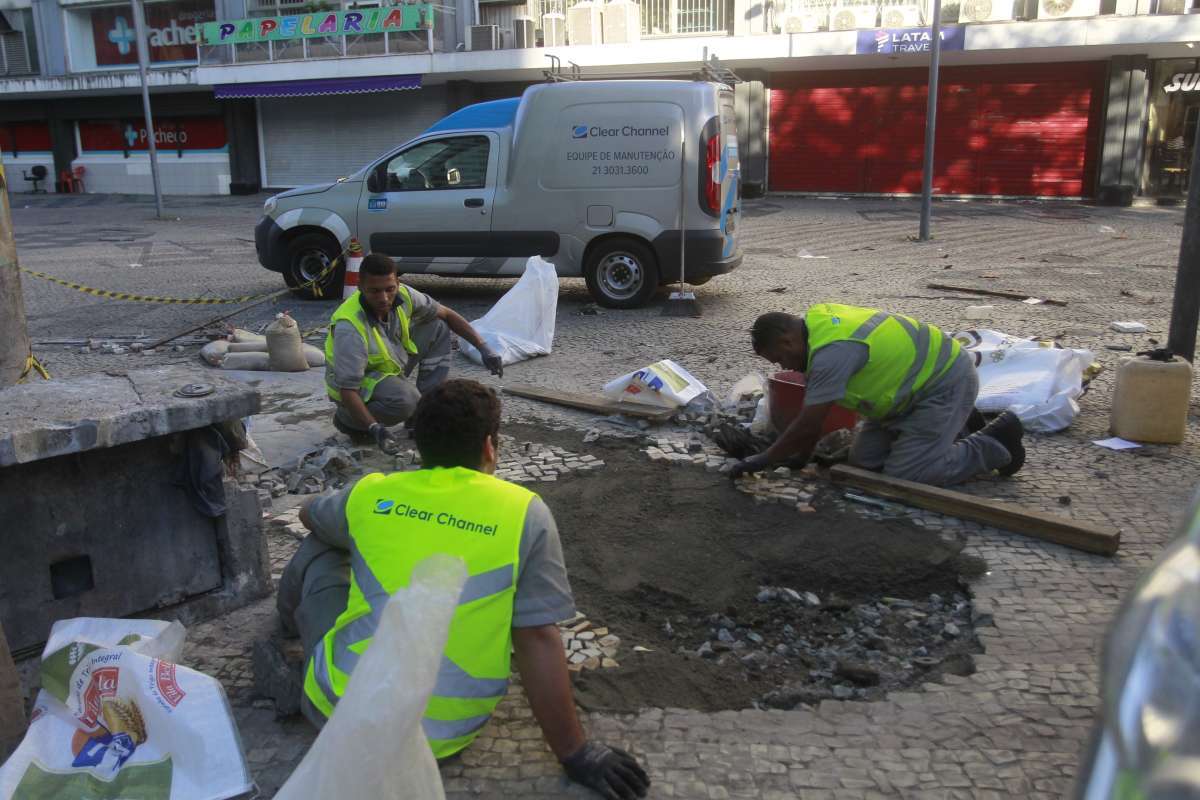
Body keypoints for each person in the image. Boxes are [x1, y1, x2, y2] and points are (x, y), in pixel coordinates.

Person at [278, 379, 651, 800]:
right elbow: (536, 638)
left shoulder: (373, 493)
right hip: (451, 730)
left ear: (418, 445)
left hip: (340, 716)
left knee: (323, 550)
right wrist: (575, 752)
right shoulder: (524, 512)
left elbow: (309, 516)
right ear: (490, 446)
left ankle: (283, 627)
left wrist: (370, 522)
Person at [731, 304, 1025, 486]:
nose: (783, 366)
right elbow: (812, 422)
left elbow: (809, 424)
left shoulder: (831, 353)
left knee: (908, 475)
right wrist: (801, 459)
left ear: (787, 339)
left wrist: (764, 459)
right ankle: (954, 428)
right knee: (864, 462)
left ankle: (994, 443)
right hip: (901, 399)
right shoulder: (816, 325)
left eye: (778, 357)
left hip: (943, 384)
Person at [324, 253, 505, 454]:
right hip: (360, 383)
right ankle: (348, 420)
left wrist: (484, 348)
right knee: (405, 401)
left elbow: (446, 314)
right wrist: (375, 429)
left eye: (389, 289)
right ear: (360, 287)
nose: (384, 298)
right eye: (374, 291)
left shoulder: (405, 295)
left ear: (397, 283)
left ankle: (424, 413)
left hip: (390, 364)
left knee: (437, 326)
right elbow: (347, 390)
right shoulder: (349, 327)